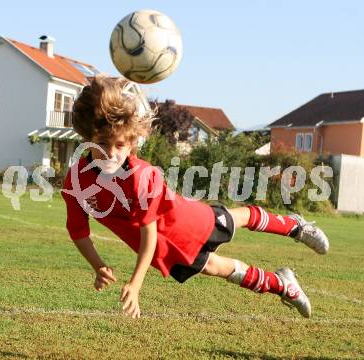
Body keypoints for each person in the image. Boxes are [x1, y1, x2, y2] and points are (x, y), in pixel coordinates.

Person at [61, 75, 329, 320]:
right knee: (217, 268)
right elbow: (78, 230)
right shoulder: (76, 181)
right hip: (163, 249)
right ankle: (282, 285)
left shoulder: (140, 176)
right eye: (102, 145)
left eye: (119, 145)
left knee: (235, 219)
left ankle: (295, 226)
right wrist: (98, 266)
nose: (111, 153)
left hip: (184, 221)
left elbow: (148, 231)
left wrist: (136, 283)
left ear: (131, 143)